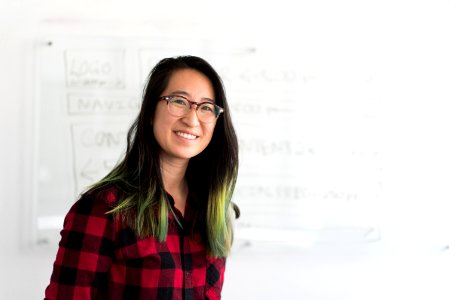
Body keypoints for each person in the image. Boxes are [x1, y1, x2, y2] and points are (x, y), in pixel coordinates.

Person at [45, 55, 240, 300]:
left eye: (206, 107)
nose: (192, 119)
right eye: (179, 101)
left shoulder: (212, 208)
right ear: (150, 112)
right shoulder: (104, 209)